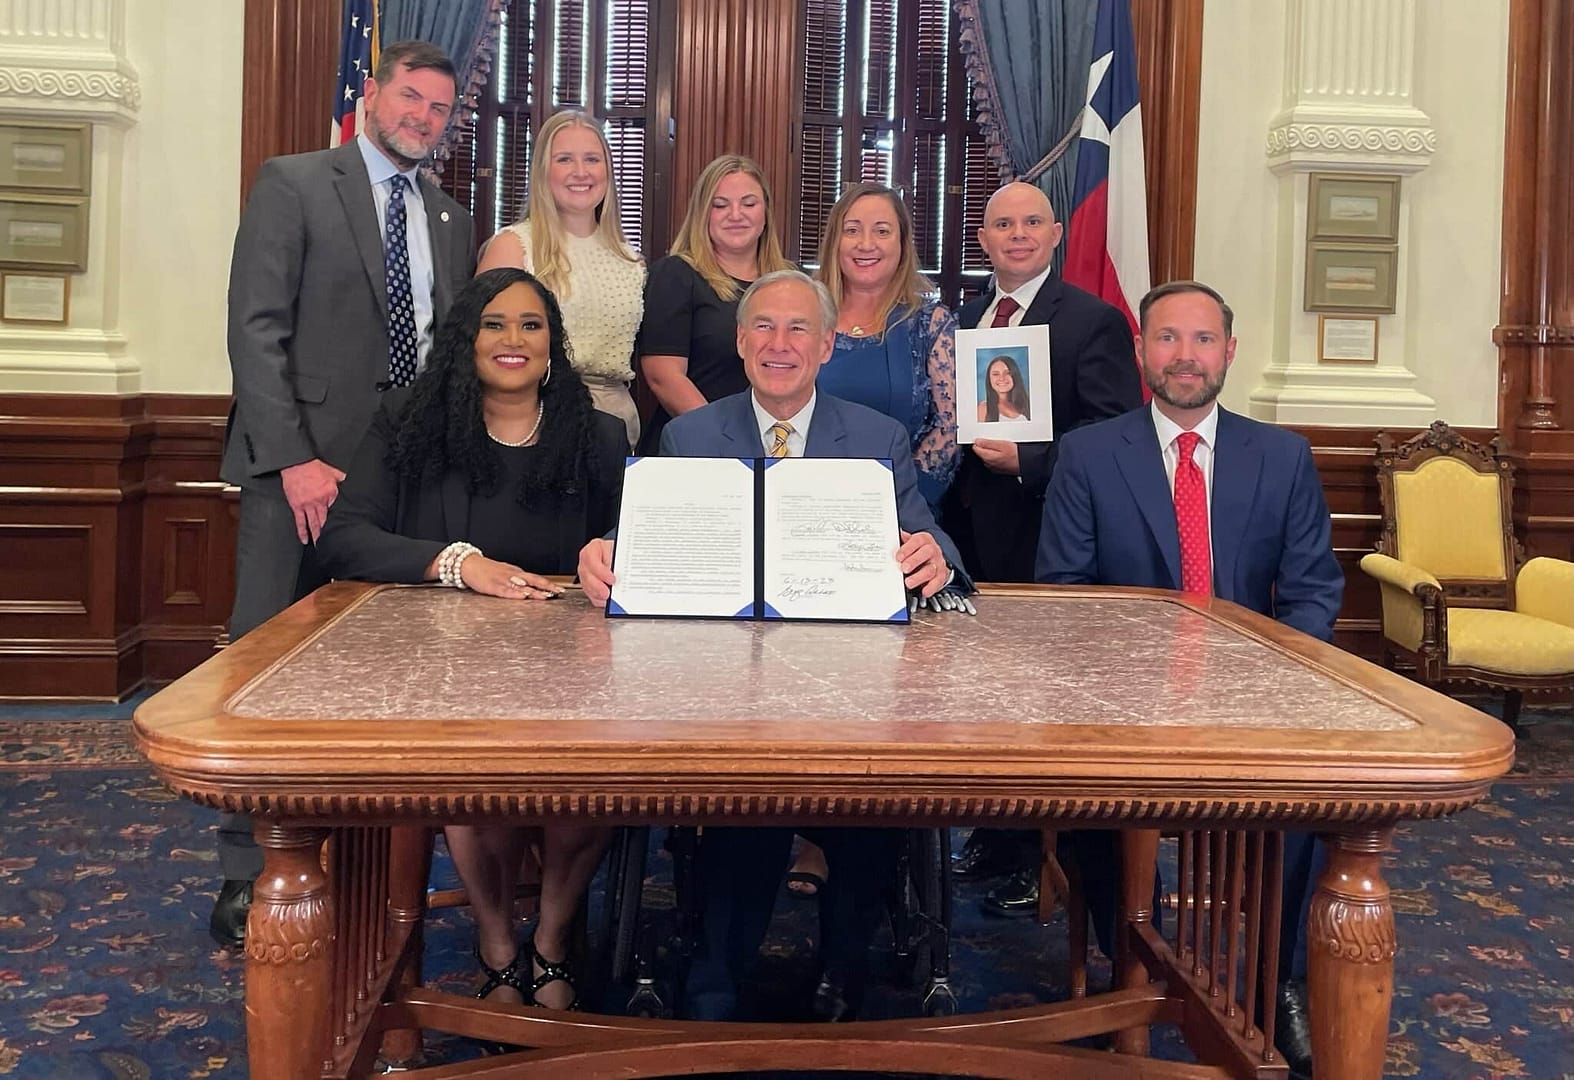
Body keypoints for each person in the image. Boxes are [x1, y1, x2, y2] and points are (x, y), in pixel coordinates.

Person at [578, 270, 972, 1023]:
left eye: (798, 330)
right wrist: (601, 551)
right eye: (763, 327)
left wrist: (934, 556)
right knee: (744, 806)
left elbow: (932, 536)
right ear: (739, 341)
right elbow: (647, 530)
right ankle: (719, 978)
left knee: (869, 805)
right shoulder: (690, 434)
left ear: (826, 345)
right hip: (726, 685)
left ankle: (845, 970)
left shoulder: (878, 439)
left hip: (850, 683)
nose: (779, 344)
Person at [1037, 279, 1342, 1080]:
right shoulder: (1091, 453)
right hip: (1124, 700)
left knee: (1310, 810)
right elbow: (1064, 594)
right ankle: (1127, 965)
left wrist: (1259, 680)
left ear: (1229, 353)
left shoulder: (1282, 456)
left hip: (1251, 698)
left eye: (1202, 340)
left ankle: (1279, 985)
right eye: (1166, 339)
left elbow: (1312, 592)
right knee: (1089, 804)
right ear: (1141, 352)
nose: (1184, 357)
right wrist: (1133, 685)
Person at [214, 40, 477, 950]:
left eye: (440, 109)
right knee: (263, 666)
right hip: (302, 475)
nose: (423, 118)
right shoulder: (294, 183)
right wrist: (293, 458)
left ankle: (362, 863)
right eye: (410, 99)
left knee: (379, 674)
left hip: (400, 485)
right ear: (372, 95)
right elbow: (255, 330)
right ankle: (246, 874)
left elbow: (446, 357)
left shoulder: (448, 219)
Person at [317, 267, 627, 1011]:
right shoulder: (410, 422)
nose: (513, 339)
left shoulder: (599, 434)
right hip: (447, 659)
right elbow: (343, 539)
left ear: (553, 343)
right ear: (467, 339)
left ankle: (551, 940)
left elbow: (643, 534)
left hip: (569, 658)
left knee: (594, 782)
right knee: (474, 782)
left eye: (531, 324)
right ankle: (496, 946)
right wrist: (459, 563)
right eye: (494, 324)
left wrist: (610, 546)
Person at [943, 181, 1142, 906]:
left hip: (1047, 535)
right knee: (981, 698)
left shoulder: (1092, 322)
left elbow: (1114, 435)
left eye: (1031, 222)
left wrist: (1028, 462)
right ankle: (995, 836)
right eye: (1002, 224)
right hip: (967, 534)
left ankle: (1037, 855)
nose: (1017, 234)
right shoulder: (965, 319)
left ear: (1056, 234)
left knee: (1034, 704)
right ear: (984, 239)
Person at [476, 109, 645, 449]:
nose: (580, 172)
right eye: (565, 159)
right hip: (534, 422)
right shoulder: (513, 246)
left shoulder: (631, 261)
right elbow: (478, 345)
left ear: (608, 170)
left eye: (592, 159)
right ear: (543, 172)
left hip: (616, 426)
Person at [813, 182, 959, 514]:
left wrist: (897, 504)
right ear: (835, 241)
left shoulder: (931, 324)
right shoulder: (804, 315)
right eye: (852, 230)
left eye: (882, 231)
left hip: (902, 512)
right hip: (806, 503)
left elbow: (948, 429)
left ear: (902, 244)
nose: (866, 244)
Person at [635, 154, 794, 454]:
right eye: (720, 205)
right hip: (695, 446)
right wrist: (725, 441)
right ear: (702, 213)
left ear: (766, 212)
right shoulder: (675, 275)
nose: (736, 214)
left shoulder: (791, 282)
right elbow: (664, 377)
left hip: (776, 447)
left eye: (749, 204)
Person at [977, 354, 1030, 422]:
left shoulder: (1028, 405)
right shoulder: (983, 409)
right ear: (989, 379)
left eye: (1007, 373)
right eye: (996, 374)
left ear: (1015, 376)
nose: (1002, 378)